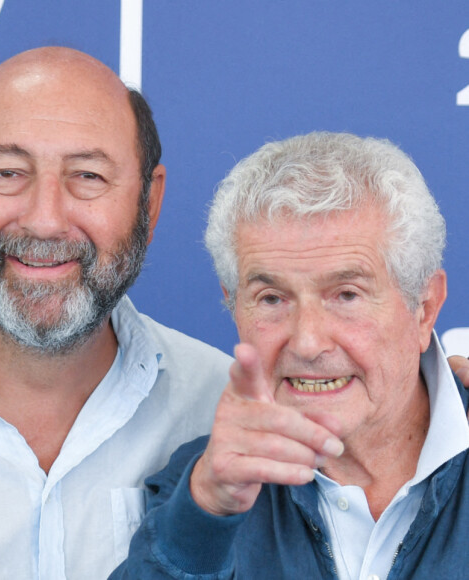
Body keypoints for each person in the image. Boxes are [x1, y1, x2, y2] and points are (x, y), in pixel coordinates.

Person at [0, 47, 232, 579]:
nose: (46, 220)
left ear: (150, 201)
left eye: (89, 176)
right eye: (7, 173)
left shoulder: (222, 409)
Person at [110, 132, 469, 579]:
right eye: (272, 299)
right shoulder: (199, 488)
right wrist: (204, 516)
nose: (307, 343)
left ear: (424, 308)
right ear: (233, 305)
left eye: (346, 295)